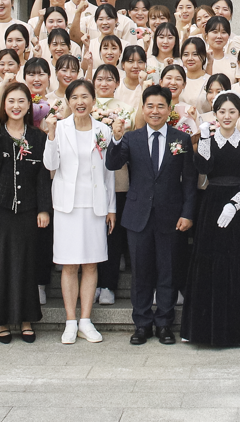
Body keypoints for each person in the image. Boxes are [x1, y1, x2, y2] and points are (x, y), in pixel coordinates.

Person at [104, 84, 198, 345]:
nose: (155, 111)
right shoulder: (131, 138)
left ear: (169, 109)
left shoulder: (180, 139)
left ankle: (165, 323)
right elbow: (112, 163)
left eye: (160, 106)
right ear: (143, 108)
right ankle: (142, 324)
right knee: (141, 273)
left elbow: (189, 181)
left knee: (167, 271)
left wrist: (188, 213)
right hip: (138, 215)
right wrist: (116, 138)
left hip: (171, 215)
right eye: (150, 106)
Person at [183, 91, 240, 347]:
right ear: (215, 114)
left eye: (232, 111)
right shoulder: (209, 140)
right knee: (211, 263)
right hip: (212, 206)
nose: (227, 116)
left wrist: (234, 205)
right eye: (222, 112)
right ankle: (204, 330)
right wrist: (204, 138)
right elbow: (204, 168)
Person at [43, 78, 117, 345]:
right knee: (69, 264)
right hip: (67, 206)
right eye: (74, 97)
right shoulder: (60, 128)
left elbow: (108, 172)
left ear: (93, 101)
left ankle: (86, 320)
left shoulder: (103, 130)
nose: (80, 102)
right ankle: (70, 321)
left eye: (85, 97)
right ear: (67, 102)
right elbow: (50, 165)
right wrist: (51, 136)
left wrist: (111, 208)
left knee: (91, 263)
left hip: (95, 204)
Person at [0, 82, 53, 342]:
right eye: (11, 101)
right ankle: (1, 321)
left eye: (21, 101)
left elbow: (42, 176)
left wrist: (44, 209)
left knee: (26, 263)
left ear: (29, 105)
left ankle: (25, 319)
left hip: (27, 208)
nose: (16, 106)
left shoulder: (38, 137)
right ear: (3, 104)